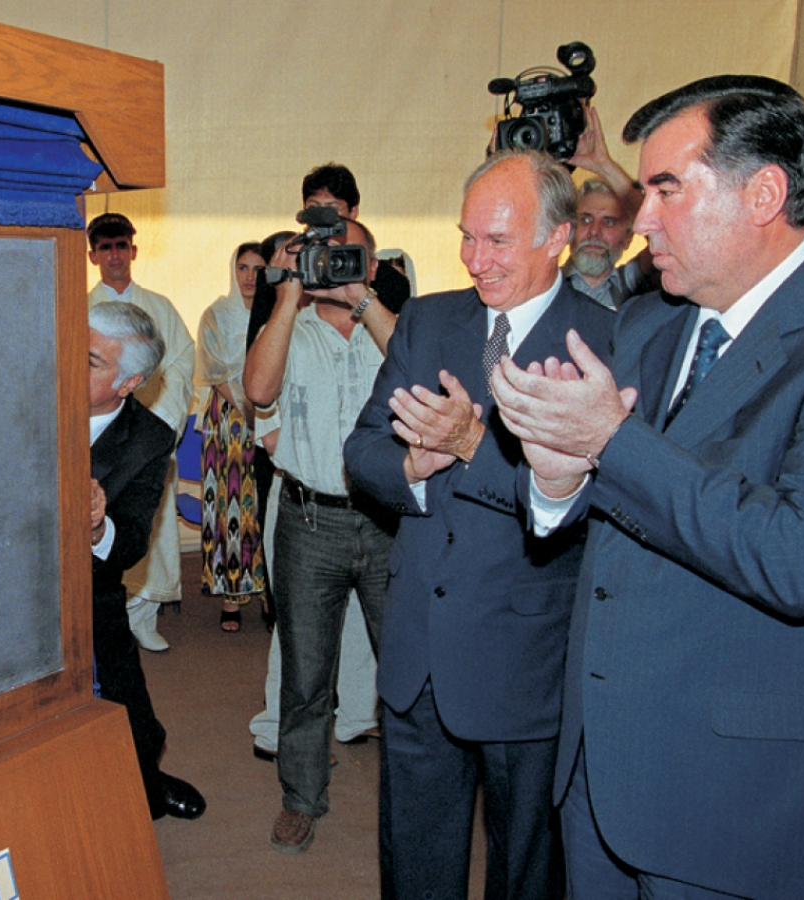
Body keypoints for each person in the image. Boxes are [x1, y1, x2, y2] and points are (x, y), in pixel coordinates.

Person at [490, 75, 804, 899]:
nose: (638, 218)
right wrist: (555, 481)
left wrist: (610, 444)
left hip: (743, 796)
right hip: (603, 775)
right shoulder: (652, 320)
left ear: (764, 193)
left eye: (665, 189)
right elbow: (619, 503)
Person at [344, 150, 614, 899]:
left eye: (497, 241)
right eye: (466, 237)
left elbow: (597, 506)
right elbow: (362, 450)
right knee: (416, 862)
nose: (474, 258)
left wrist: (469, 445)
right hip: (419, 654)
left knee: (527, 865)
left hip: (530, 659)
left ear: (556, 236)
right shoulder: (427, 322)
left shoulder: (606, 344)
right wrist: (411, 472)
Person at [244, 214, 397, 854]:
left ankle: (421, 791)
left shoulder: (392, 326)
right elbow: (257, 390)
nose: (334, 263)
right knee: (306, 674)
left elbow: (428, 366)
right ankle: (301, 799)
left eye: (348, 254)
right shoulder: (293, 327)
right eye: (323, 254)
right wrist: (284, 295)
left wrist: (365, 299)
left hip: (390, 520)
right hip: (308, 521)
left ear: (372, 264)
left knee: (409, 664)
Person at [89, 301, 205, 822]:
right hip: (4, 581)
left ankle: (145, 776)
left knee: (129, 712)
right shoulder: (27, 394)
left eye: (91, 360)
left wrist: (96, 525)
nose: (68, 361)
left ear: (128, 382)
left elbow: (133, 540)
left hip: (90, 588)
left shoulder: (149, 440)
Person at [87, 212, 195, 652]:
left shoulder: (160, 306)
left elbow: (182, 363)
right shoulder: (80, 307)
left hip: (144, 432)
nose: (114, 255)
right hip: (95, 428)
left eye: (121, 246)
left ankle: (145, 611)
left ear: (133, 250)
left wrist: (162, 421)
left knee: (146, 528)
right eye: (105, 247)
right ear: (93, 255)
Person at [193, 242, 268, 631]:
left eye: (258, 268)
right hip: (230, 420)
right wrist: (249, 411)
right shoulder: (216, 315)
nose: (250, 276)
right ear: (232, 270)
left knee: (268, 508)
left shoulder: (278, 313)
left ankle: (271, 593)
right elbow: (216, 372)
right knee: (231, 507)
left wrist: (266, 414)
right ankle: (232, 596)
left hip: (273, 416)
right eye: (243, 267)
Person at [564, 106, 657, 311]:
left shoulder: (637, 288)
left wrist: (603, 165)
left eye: (609, 222)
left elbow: (668, 233)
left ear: (628, 238)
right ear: (568, 230)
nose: (595, 232)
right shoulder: (543, 288)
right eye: (585, 219)